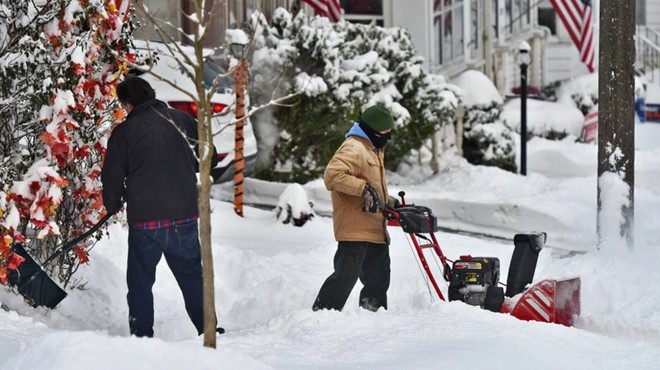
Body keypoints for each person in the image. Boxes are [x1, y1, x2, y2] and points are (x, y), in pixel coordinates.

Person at [101, 76, 221, 338]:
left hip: (146, 221)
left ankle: (142, 336)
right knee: (191, 274)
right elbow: (209, 156)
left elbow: (111, 176)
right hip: (184, 215)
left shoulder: (124, 133)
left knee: (141, 281)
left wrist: (113, 203)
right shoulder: (182, 120)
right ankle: (208, 327)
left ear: (129, 104)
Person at [312, 104, 399, 312]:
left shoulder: (373, 148)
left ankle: (373, 314)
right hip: (355, 229)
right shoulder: (354, 147)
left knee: (379, 279)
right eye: (384, 132)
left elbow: (371, 183)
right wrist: (363, 189)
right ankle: (322, 315)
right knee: (344, 277)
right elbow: (333, 176)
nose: (387, 136)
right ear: (372, 130)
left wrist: (386, 199)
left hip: (375, 229)